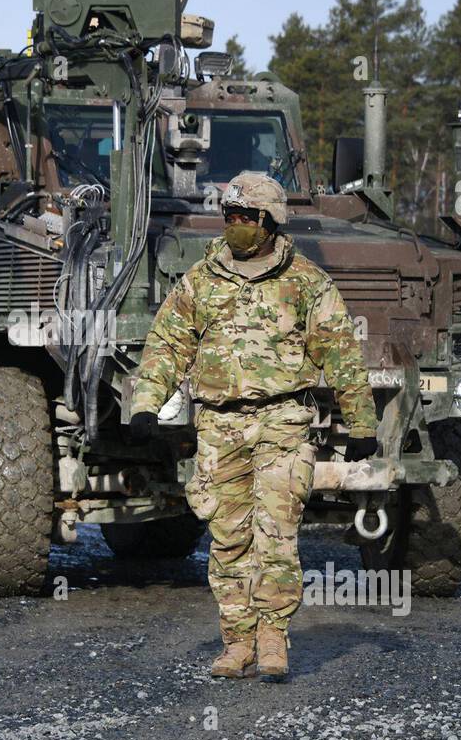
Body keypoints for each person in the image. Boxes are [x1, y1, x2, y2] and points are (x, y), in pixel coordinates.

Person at [128, 171, 378, 681]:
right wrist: (145, 405)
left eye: (246, 217)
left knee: (277, 535)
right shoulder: (202, 279)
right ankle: (237, 641)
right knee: (228, 537)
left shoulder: (306, 282)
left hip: (284, 421)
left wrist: (361, 421)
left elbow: (341, 354)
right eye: (229, 216)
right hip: (219, 426)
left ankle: (273, 640)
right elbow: (167, 346)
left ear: (269, 221)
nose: (235, 225)